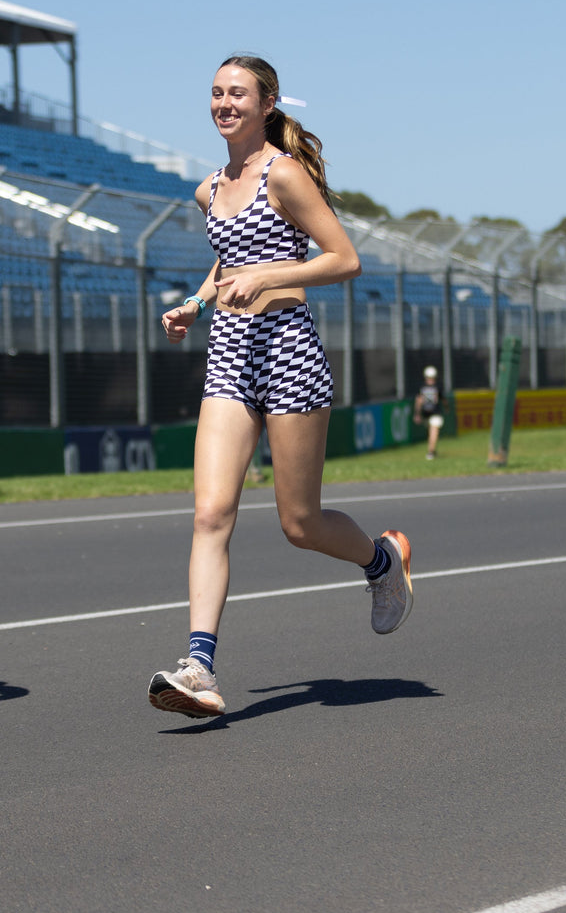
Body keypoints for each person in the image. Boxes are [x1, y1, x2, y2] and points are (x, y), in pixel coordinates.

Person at [147, 55, 414, 719]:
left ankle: (382, 561)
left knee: (300, 523)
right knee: (211, 512)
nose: (223, 103)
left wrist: (266, 277)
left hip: (289, 350)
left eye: (237, 93)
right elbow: (227, 261)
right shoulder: (210, 189)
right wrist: (196, 303)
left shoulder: (284, 174)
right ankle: (200, 667)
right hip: (231, 356)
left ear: (266, 104)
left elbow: (342, 257)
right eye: (215, 93)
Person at [414, 365, 445, 460]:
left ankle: (431, 451)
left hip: (426, 413)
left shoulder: (422, 387)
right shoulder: (438, 386)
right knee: (432, 433)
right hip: (433, 413)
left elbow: (418, 401)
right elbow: (443, 399)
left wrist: (417, 413)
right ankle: (431, 451)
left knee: (432, 432)